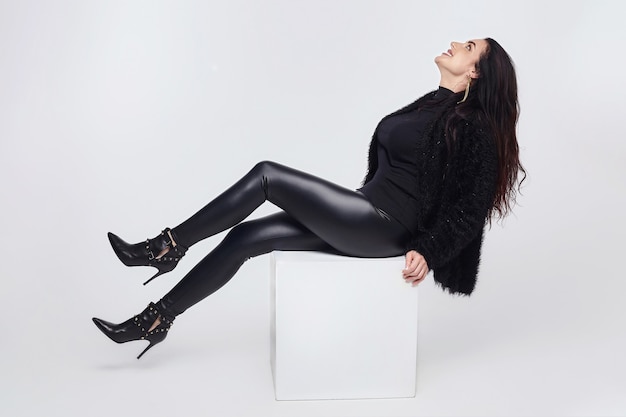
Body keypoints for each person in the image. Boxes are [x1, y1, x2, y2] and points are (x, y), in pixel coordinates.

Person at [93, 38, 525, 359]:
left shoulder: (474, 127)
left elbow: (470, 210)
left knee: (267, 176)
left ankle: (165, 248)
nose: (454, 44)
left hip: (385, 226)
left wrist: (429, 252)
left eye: (467, 47)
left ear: (476, 73)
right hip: (364, 213)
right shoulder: (429, 105)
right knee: (247, 238)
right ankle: (156, 320)